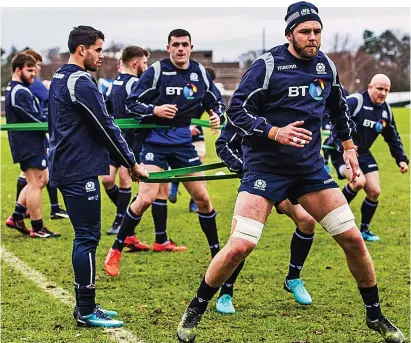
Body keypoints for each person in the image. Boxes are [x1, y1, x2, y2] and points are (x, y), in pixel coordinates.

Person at [176, 3, 405, 343]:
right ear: (290, 35)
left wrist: (349, 148)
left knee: (353, 239)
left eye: (316, 31)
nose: (312, 37)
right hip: (265, 170)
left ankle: (375, 315)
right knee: (240, 246)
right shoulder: (267, 66)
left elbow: (338, 108)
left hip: (310, 171)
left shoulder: (325, 65)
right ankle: (194, 311)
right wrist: (273, 132)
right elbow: (236, 111)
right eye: (305, 32)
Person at [48, 25, 148, 327]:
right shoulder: (82, 82)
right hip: (78, 168)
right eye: (98, 50)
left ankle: (86, 306)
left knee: (85, 236)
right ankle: (87, 309)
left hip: (67, 165)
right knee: (88, 237)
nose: (101, 57)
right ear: (83, 50)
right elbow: (105, 125)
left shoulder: (59, 76)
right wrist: (131, 162)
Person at [104, 28, 225, 277]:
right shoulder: (157, 71)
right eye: (176, 45)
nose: (180, 49)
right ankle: (115, 250)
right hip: (155, 144)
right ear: (168, 47)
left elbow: (215, 102)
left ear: (191, 47)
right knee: (145, 198)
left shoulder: (199, 73)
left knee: (202, 199)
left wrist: (216, 115)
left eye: (185, 45)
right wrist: (155, 110)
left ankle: (217, 255)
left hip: (183, 145)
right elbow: (132, 103)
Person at [213, 120, 316, 314]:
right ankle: (226, 292)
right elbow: (223, 144)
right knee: (242, 238)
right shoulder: (247, 110)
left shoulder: (288, 107)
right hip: (258, 180)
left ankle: (293, 278)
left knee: (307, 221)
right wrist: (243, 167)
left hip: (285, 179)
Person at [330, 74, 408, 242]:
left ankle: (364, 230)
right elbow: (337, 123)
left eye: (387, 90)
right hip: (342, 151)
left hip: (363, 153)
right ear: (370, 86)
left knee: (374, 191)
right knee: (358, 182)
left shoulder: (386, 110)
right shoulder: (355, 102)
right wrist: (343, 145)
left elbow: (392, 136)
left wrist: (401, 158)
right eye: (380, 88)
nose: (383, 93)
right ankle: (333, 215)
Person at [4, 53, 60, 238]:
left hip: (34, 142)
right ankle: (38, 228)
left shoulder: (22, 89)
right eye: (29, 71)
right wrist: (52, 123)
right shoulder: (18, 91)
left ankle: (17, 216)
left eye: (34, 70)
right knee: (35, 182)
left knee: (41, 179)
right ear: (18, 70)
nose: (33, 75)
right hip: (27, 144)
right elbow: (33, 119)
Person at [102, 46, 150, 245]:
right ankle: (125, 211)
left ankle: (121, 220)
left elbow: (143, 110)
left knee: (124, 178)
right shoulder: (119, 82)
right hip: (117, 137)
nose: (146, 67)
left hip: (132, 139)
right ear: (135, 63)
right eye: (145, 63)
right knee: (106, 178)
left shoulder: (137, 83)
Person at [169, 66, 224, 213]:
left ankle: (194, 202)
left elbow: (215, 109)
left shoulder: (209, 93)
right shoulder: (188, 89)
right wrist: (187, 127)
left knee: (198, 164)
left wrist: (217, 120)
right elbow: (176, 112)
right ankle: (175, 181)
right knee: (182, 162)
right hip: (181, 131)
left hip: (197, 131)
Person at [22, 49, 69, 220]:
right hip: (38, 132)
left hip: (40, 130)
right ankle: (22, 212)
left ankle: (23, 211)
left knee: (38, 175)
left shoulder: (31, 83)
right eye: (35, 66)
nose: (37, 70)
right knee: (36, 177)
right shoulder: (31, 85)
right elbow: (48, 97)